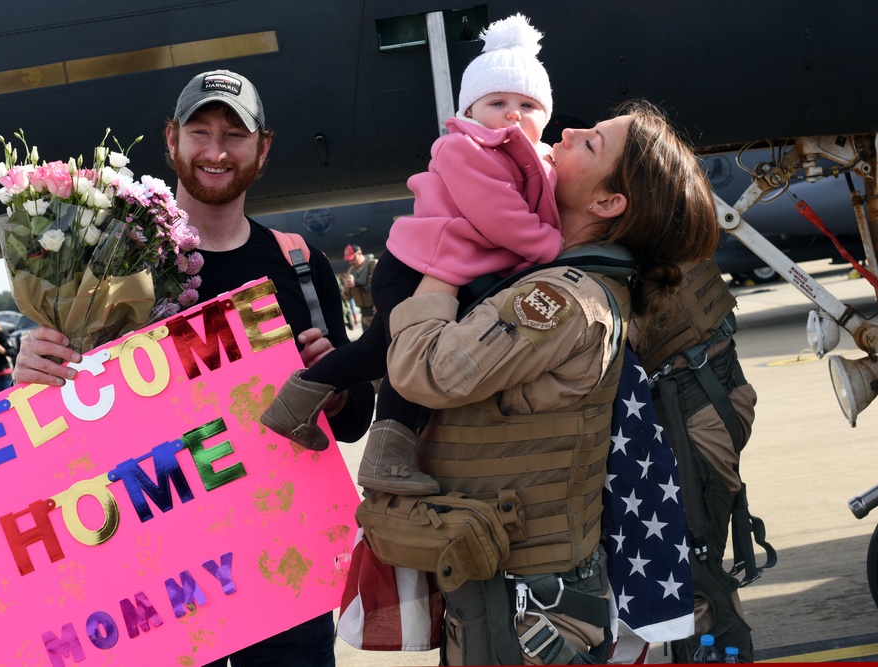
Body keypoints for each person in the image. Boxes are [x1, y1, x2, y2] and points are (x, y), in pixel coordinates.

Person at [13, 68, 375, 667]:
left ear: (263, 148)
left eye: (234, 135)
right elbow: (68, 424)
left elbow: (356, 417)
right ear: (171, 139)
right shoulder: (109, 267)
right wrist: (34, 371)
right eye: (200, 131)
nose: (215, 151)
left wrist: (333, 387)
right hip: (159, 576)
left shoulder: (298, 263)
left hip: (279, 566)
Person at [379, 99, 720, 664]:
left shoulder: (562, 300)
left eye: (592, 143)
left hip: (532, 614)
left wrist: (443, 262)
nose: (568, 131)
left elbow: (426, 368)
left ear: (608, 202)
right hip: (502, 595)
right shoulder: (574, 284)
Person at [262, 14, 565, 495]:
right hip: (414, 270)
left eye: (527, 104)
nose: (513, 114)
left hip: (438, 270)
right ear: (471, 109)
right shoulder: (465, 148)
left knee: (384, 355)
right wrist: (553, 247)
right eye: (497, 102)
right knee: (395, 358)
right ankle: (364, 447)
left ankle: (315, 417)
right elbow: (500, 217)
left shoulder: (528, 156)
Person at [628, 258, 762, 663]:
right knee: (695, 565)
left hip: (691, 396)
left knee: (695, 573)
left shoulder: (629, 208)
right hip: (709, 382)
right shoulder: (671, 203)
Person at [341, 245, 377, 331]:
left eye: (353, 259)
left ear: (360, 253)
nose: (351, 262)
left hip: (378, 312)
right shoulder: (351, 271)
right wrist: (347, 286)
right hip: (364, 314)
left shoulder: (374, 265)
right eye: (349, 260)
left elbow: (384, 287)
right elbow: (346, 296)